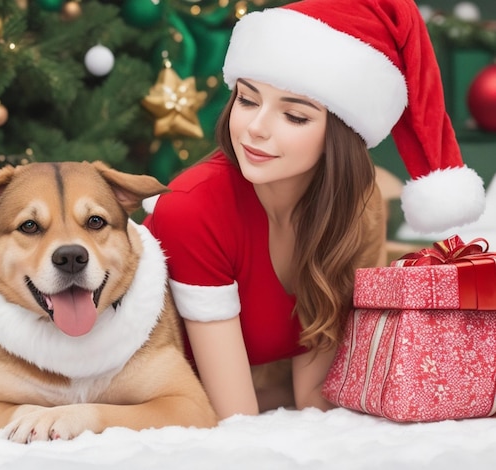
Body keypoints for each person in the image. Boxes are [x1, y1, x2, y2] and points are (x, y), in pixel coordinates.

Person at [143, 0, 485, 420]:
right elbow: (234, 419)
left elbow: (316, 399)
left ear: (342, 134)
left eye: (293, 115)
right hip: (149, 402)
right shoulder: (192, 208)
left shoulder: (355, 208)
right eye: (247, 100)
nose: (255, 127)